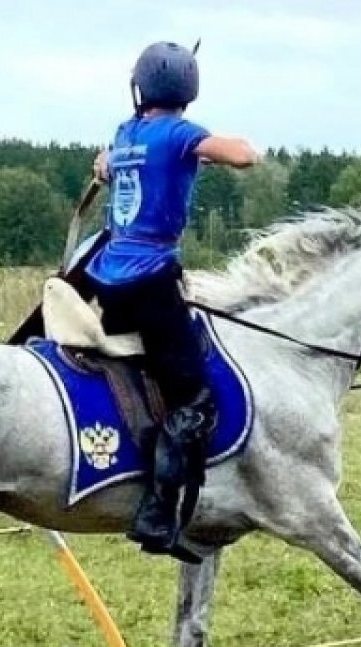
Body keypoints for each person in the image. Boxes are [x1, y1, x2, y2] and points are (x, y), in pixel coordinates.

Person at [85, 40, 259, 562]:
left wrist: (106, 165)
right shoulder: (179, 133)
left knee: (160, 368)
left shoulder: (128, 132)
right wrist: (247, 148)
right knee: (195, 400)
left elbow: (103, 162)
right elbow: (240, 156)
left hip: (107, 279)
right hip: (150, 281)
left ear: (141, 87)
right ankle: (160, 514)